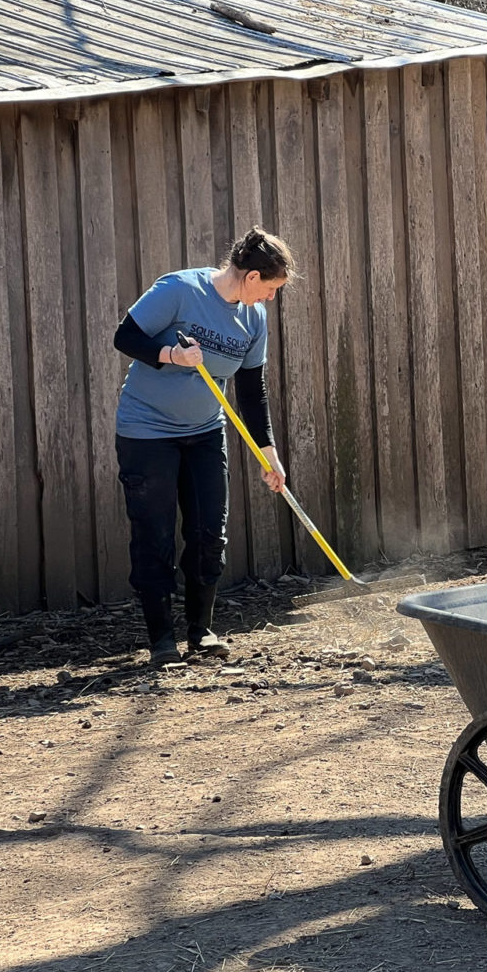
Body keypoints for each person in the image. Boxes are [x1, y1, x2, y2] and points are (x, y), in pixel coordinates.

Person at [112, 228, 293, 664]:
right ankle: (161, 641)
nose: (270, 299)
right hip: (147, 433)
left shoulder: (253, 319)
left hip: (205, 432)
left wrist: (270, 455)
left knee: (209, 533)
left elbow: (252, 391)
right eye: (270, 289)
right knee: (154, 537)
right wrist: (173, 356)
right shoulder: (179, 289)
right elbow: (126, 338)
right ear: (252, 277)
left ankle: (202, 632)